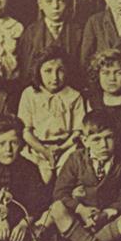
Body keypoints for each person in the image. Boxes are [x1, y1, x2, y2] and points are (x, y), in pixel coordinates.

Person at [43, 109, 121, 241]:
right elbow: (59, 193)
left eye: (109, 138)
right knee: (57, 208)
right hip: (79, 222)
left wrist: (106, 213)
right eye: (96, 139)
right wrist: (81, 209)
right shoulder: (75, 159)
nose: (104, 145)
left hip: (107, 221)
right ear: (85, 141)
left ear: (116, 137)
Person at [18, 47, 85, 184]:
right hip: (37, 147)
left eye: (60, 70)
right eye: (48, 71)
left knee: (66, 174)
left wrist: (60, 149)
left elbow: (78, 131)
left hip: (66, 147)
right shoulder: (29, 94)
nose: (54, 77)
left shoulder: (74, 96)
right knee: (41, 175)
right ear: (38, 71)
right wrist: (44, 151)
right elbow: (26, 132)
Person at [17, 0, 83, 87]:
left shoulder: (78, 31)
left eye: (60, 0)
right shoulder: (31, 32)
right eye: (49, 1)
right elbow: (25, 68)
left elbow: (81, 67)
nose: (55, 6)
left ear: (68, 2)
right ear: (40, 4)